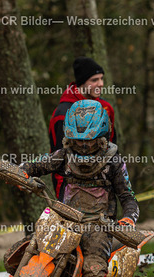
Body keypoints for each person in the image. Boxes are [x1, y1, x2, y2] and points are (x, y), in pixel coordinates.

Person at [21, 100, 138, 277]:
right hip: (64, 220)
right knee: (31, 249)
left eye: (89, 141)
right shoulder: (63, 156)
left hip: (98, 227)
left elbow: (128, 197)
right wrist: (21, 172)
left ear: (102, 136)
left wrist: (128, 219)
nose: (83, 147)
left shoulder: (113, 161)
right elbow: (37, 165)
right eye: (78, 141)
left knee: (93, 270)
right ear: (69, 138)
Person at [48, 57, 117, 200]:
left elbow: (112, 149)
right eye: (94, 80)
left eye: (102, 78)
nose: (101, 84)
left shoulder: (106, 108)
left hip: (102, 186)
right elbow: (58, 159)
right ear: (82, 83)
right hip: (72, 187)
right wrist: (62, 197)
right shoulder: (63, 113)